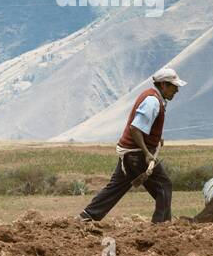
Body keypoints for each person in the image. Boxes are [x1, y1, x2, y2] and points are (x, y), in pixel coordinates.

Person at [77, 67, 185, 223]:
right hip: (136, 154)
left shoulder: (153, 97)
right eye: (174, 86)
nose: (177, 90)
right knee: (164, 186)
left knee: (116, 187)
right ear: (163, 85)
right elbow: (135, 128)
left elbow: (144, 126)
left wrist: (156, 138)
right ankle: (161, 227)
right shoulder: (152, 101)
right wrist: (147, 153)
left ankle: (87, 216)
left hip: (129, 154)